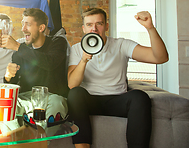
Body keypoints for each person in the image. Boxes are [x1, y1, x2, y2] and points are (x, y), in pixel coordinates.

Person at [67, 8, 169, 148]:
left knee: (140, 96)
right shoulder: (77, 49)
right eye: (89, 25)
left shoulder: (121, 45)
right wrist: (84, 60)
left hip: (117, 100)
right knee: (75, 94)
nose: (94, 29)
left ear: (106, 26)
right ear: (84, 28)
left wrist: (150, 28)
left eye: (99, 24)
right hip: (90, 100)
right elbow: (72, 84)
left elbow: (161, 57)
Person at [2, 8, 69, 119]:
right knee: (3, 106)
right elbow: (13, 85)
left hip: (52, 98)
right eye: (23, 24)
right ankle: (14, 135)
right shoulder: (20, 52)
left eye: (27, 25)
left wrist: (18, 47)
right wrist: (8, 76)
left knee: (57, 104)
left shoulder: (57, 42)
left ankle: (38, 133)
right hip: (26, 98)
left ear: (41, 28)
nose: (23, 29)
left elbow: (49, 63)